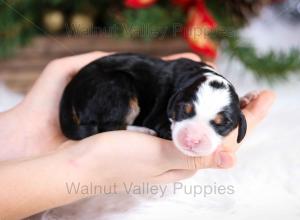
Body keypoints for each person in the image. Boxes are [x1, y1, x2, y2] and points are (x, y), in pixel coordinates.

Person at [0, 52, 275, 219]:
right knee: (120, 92)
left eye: (220, 125)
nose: (193, 137)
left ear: (238, 125)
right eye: (185, 113)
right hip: (107, 82)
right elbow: (162, 119)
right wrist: (85, 167)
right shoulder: (172, 90)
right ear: (174, 103)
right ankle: (112, 125)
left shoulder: (195, 91)